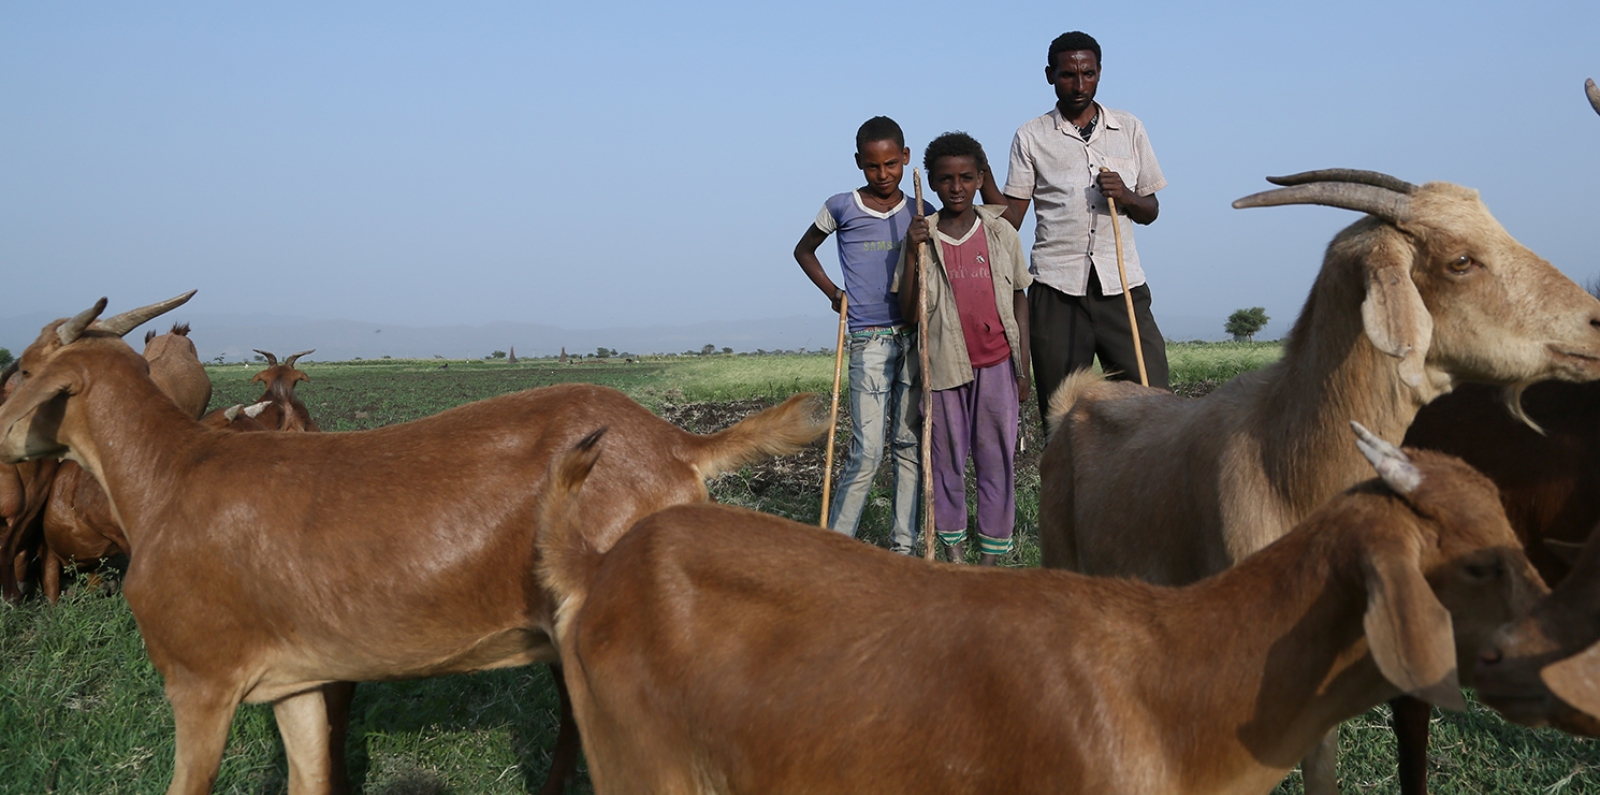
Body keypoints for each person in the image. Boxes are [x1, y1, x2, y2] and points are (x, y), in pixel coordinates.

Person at [993, 30, 1170, 420]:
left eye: (1088, 74)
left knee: (1152, 398)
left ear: (1100, 73)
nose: (1079, 85)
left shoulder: (1129, 128)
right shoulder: (1031, 136)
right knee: (1063, 413)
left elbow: (1150, 209)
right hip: (1056, 289)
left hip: (1122, 287)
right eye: (1068, 75)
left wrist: (1126, 196)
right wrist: (970, 202)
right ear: (1050, 75)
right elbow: (1013, 218)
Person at [793, 116, 932, 554]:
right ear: (859, 163)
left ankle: (903, 549)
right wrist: (835, 293)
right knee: (867, 451)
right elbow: (803, 249)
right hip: (868, 338)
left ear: (906, 158)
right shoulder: (841, 206)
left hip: (914, 335)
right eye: (873, 166)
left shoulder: (919, 211)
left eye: (892, 164)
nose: (884, 174)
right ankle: (835, 549)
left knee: (909, 445)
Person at [895, 132, 1031, 565]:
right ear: (932, 184)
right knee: (946, 462)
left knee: (997, 461)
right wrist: (913, 251)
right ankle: (952, 552)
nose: (957, 187)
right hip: (943, 369)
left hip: (997, 365)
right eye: (946, 179)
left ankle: (990, 557)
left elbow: (1019, 298)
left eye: (966, 178)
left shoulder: (1000, 232)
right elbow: (909, 311)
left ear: (979, 179)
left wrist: (1022, 367)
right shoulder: (923, 236)